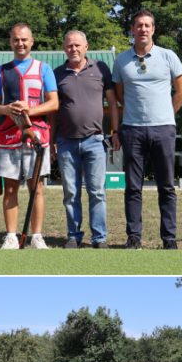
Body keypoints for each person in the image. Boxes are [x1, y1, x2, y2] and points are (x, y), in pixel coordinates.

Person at [112, 9, 182, 250]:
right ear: (132, 30)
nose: (143, 29)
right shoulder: (121, 60)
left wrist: (167, 114)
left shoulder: (168, 56)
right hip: (133, 130)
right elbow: (120, 95)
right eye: (138, 25)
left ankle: (169, 239)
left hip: (163, 130)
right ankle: (134, 237)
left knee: (166, 186)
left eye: (147, 25)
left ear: (153, 29)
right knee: (133, 187)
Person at [0, 23, 59, 250]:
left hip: (36, 135)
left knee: (36, 187)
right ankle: (10, 235)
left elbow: (54, 103)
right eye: (16, 39)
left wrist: (28, 109)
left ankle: (37, 235)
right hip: (9, 136)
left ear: (32, 41)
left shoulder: (43, 69)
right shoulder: (1, 70)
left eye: (24, 39)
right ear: (10, 42)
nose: (20, 43)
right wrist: (8, 109)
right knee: (10, 188)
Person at [52, 30, 120, 249]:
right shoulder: (57, 74)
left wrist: (115, 131)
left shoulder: (100, 69)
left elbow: (112, 103)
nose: (74, 49)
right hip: (65, 142)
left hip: (95, 140)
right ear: (64, 48)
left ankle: (99, 238)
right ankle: (73, 236)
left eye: (77, 45)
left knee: (97, 192)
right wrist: (52, 139)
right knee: (70, 192)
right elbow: (53, 110)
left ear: (86, 47)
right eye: (70, 45)